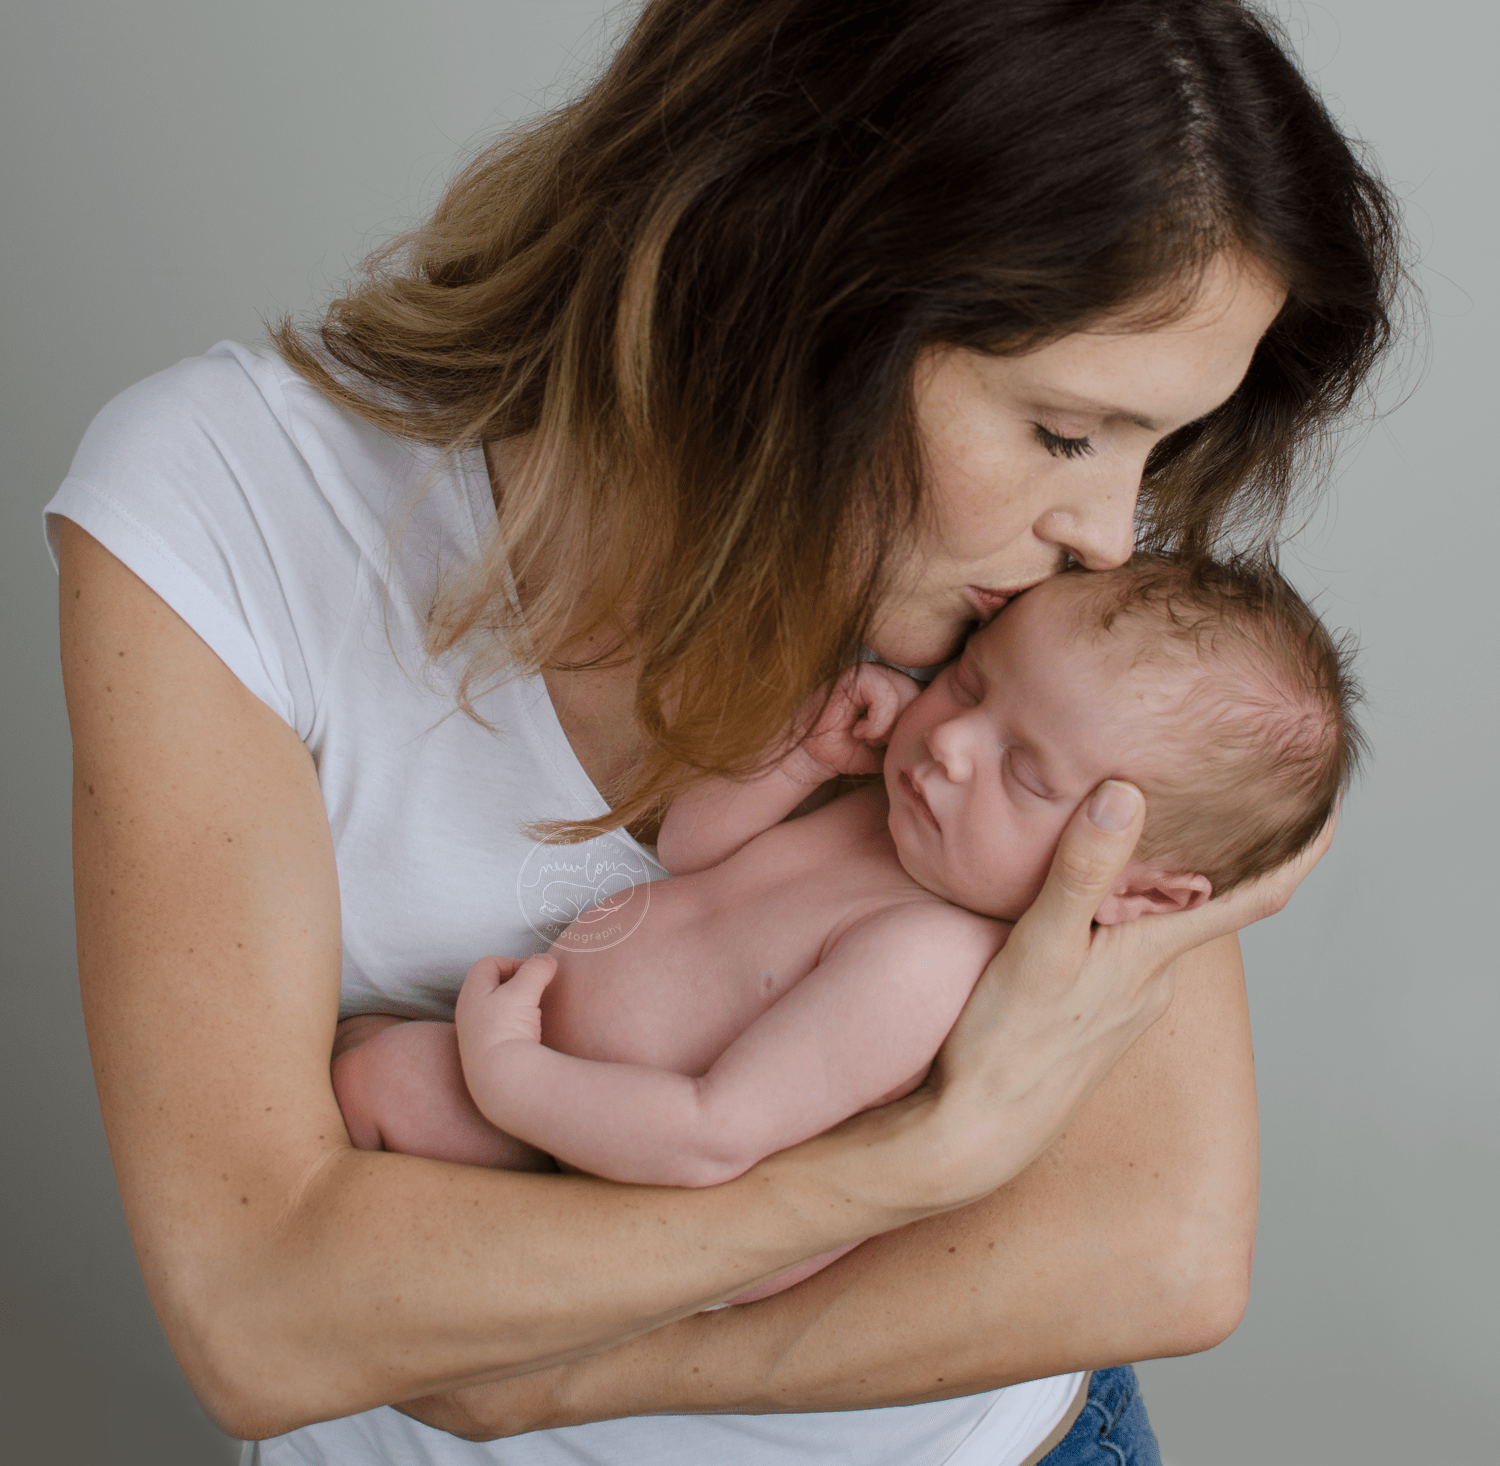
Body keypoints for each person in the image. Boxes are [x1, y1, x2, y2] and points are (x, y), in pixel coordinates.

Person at [49, 2, 1401, 1463]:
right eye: (1065, 431)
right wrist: (903, 1165)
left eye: (1160, 446)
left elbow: (1156, 1244)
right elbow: (261, 1312)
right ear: (784, 278)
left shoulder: (1038, 620)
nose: (1112, 533)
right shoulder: (229, 509)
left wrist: (557, 1376)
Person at [332, 554, 1361, 1318]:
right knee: (373, 1062)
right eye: (973, 681)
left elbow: (712, 1130)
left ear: (1140, 888)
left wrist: (511, 1073)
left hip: (621, 1170)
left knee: (379, 1084)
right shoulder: (896, 809)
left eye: (1028, 772)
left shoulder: (927, 958)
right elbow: (688, 848)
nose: (952, 743)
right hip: (570, 1079)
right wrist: (799, 758)